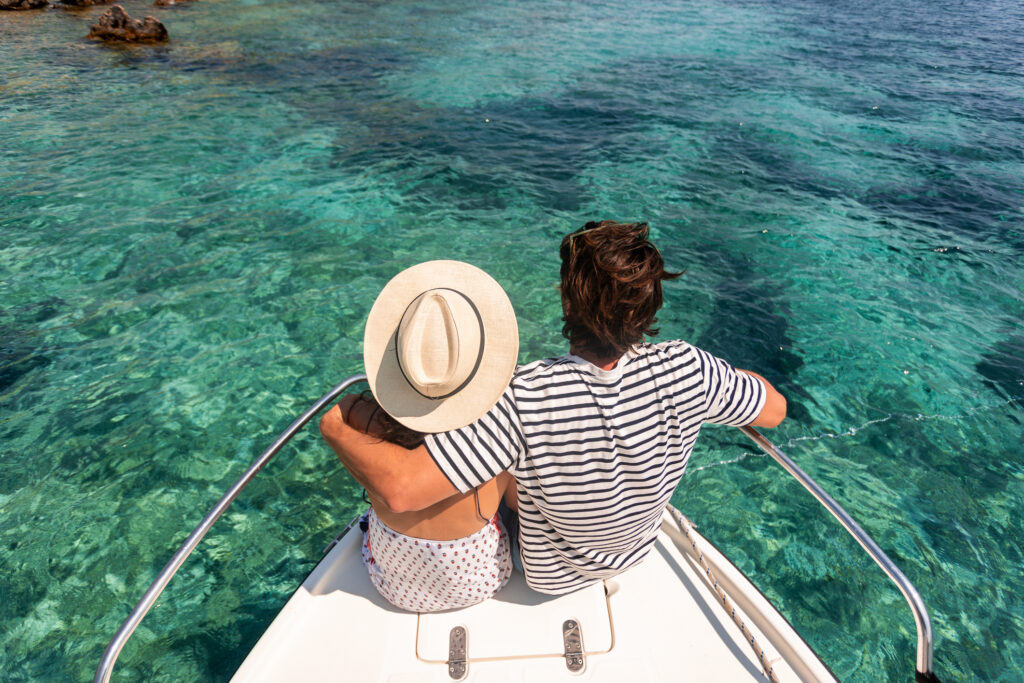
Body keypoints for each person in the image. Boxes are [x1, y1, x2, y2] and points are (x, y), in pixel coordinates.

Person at [323, 222, 786, 596]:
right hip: (635, 551)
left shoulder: (524, 396)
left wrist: (337, 428)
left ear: (567, 300)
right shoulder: (690, 369)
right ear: (649, 306)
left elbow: (402, 492)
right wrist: (723, 378)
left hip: (550, 577)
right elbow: (773, 409)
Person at [320, 260, 520, 611]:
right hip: (479, 584)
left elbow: (345, 405)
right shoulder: (498, 436)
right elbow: (518, 503)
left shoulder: (363, 423)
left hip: (391, 586)